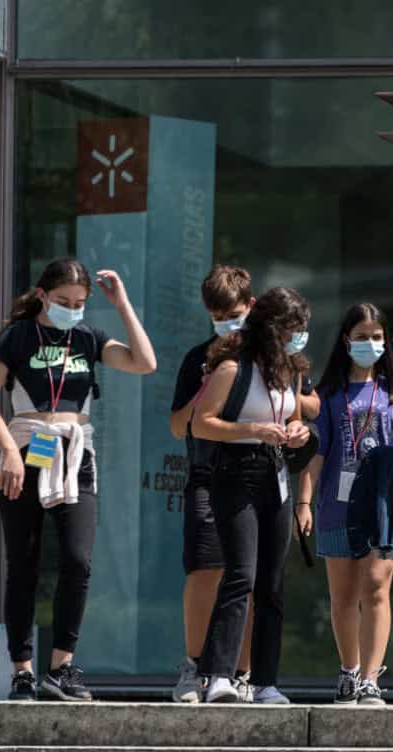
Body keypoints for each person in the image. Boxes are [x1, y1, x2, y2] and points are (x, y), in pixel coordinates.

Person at [0, 257, 157, 701]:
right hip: (27, 447)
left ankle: (62, 667)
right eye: (62, 301)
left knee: (78, 560)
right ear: (41, 295)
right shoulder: (16, 337)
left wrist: (122, 305)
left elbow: (145, 362)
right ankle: (22, 670)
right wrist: (9, 456)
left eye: (79, 302)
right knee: (25, 563)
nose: (71, 308)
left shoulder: (87, 337)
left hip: (75, 452)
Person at [190, 287, 312, 704]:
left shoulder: (288, 368)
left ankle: (265, 681)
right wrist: (252, 430)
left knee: (272, 583)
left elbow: (294, 416)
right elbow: (201, 424)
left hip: (275, 472)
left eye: (300, 330)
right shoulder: (232, 366)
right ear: (269, 327)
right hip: (236, 471)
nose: (295, 338)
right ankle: (218, 676)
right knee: (241, 573)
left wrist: (300, 431)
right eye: (289, 330)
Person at [296, 303, 393, 706]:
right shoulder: (328, 393)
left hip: (383, 505)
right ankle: (348, 670)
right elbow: (318, 451)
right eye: (361, 337)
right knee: (343, 596)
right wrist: (304, 500)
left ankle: (370, 679)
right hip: (336, 504)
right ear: (346, 341)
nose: (370, 343)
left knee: (377, 587)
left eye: (377, 336)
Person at [168, 265, 257, 704]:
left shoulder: (268, 357)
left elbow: (301, 404)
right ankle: (195, 666)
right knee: (205, 570)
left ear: (251, 307)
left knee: (248, 576)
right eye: (218, 316)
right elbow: (176, 426)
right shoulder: (197, 358)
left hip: (256, 475)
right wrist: (205, 389)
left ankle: (241, 672)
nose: (227, 324)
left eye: (235, 313)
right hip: (207, 473)